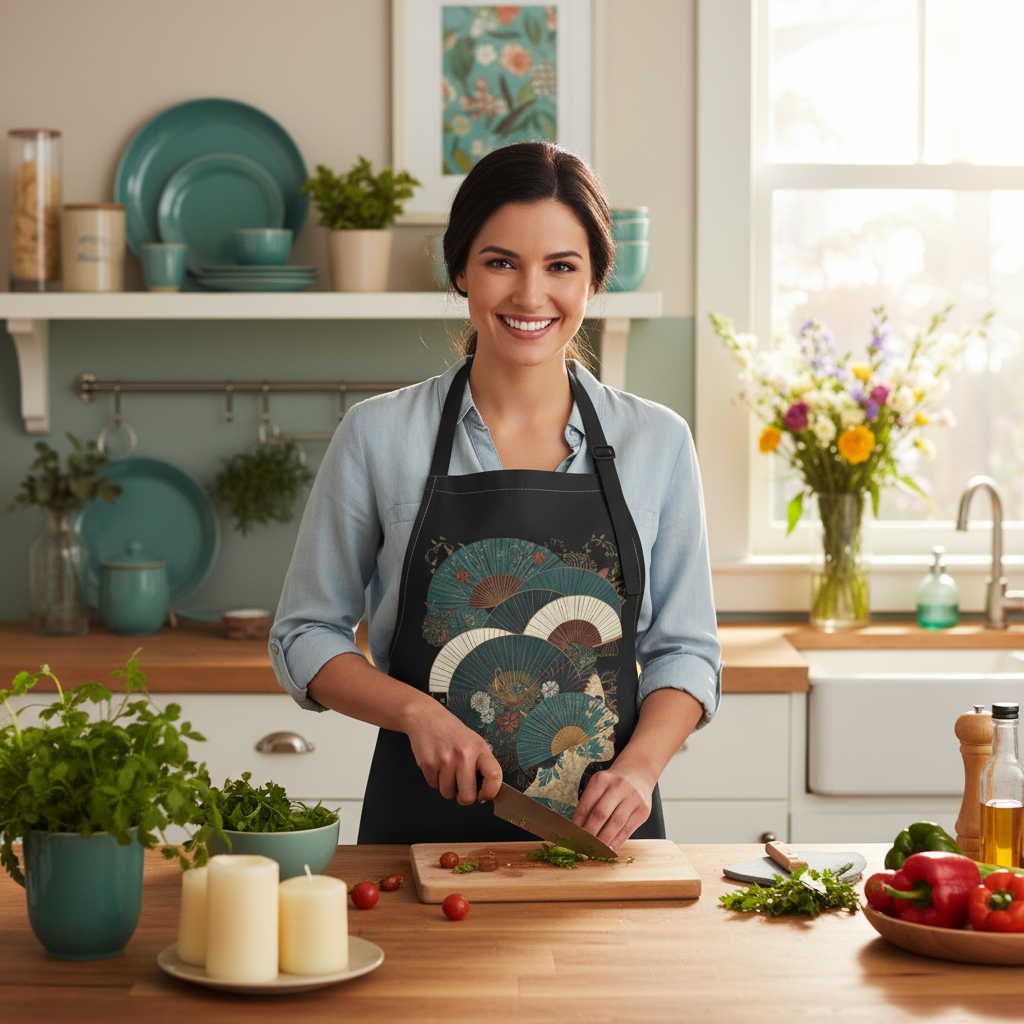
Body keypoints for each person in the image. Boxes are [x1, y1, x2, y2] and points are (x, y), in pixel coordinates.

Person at [269, 142, 721, 851]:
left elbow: (686, 653)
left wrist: (639, 767)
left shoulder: (658, 443)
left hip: (603, 840)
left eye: (561, 267)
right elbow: (304, 635)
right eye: (501, 262)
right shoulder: (378, 435)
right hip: (416, 837)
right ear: (460, 270)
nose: (530, 295)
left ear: (597, 279)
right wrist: (418, 714)